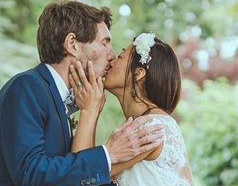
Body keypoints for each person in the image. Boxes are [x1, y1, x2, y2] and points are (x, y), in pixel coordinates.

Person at [0, 0, 164, 186]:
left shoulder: (57, 98)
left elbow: (68, 177)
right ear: (72, 44)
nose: (112, 55)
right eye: (104, 43)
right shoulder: (26, 87)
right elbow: (30, 173)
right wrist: (109, 153)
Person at [70, 32, 193, 185]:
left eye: (121, 57)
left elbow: (81, 177)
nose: (112, 60)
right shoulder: (148, 124)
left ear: (138, 73)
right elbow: (89, 170)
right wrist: (93, 110)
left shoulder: (150, 127)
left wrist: (88, 110)